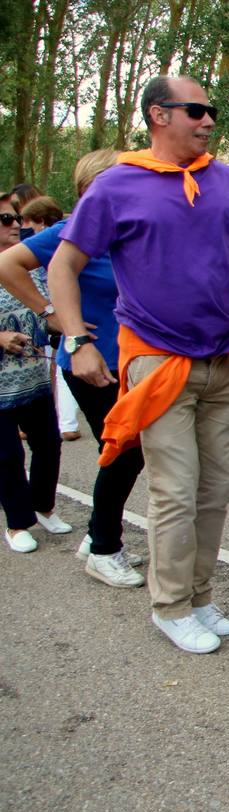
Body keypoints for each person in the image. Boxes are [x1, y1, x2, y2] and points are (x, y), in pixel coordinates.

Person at [47, 75, 229, 654]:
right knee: (175, 491)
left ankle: (199, 595)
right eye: (197, 111)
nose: (209, 121)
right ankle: (171, 605)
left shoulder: (227, 180)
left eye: (212, 111)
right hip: (156, 364)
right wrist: (79, 341)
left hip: (224, 358)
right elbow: (62, 265)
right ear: (159, 115)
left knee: (215, 490)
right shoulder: (117, 186)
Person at [0, 149, 147, 586]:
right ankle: (102, 547)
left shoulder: (129, 232)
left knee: (127, 455)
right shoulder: (72, 231)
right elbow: (8, 265)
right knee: (124, 453)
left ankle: (100, 538)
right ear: (94, 189)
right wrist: (52, 314)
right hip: (90, 362)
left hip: (130, 361)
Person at [0, 192, 70, 553]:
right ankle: (16, 524)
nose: (15, 225)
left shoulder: (33, 266)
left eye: (15, 218)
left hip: (33, 379)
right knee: (8, 455)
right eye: (5, 220)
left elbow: (49, 305)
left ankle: (43, 506)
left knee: (49, 445)